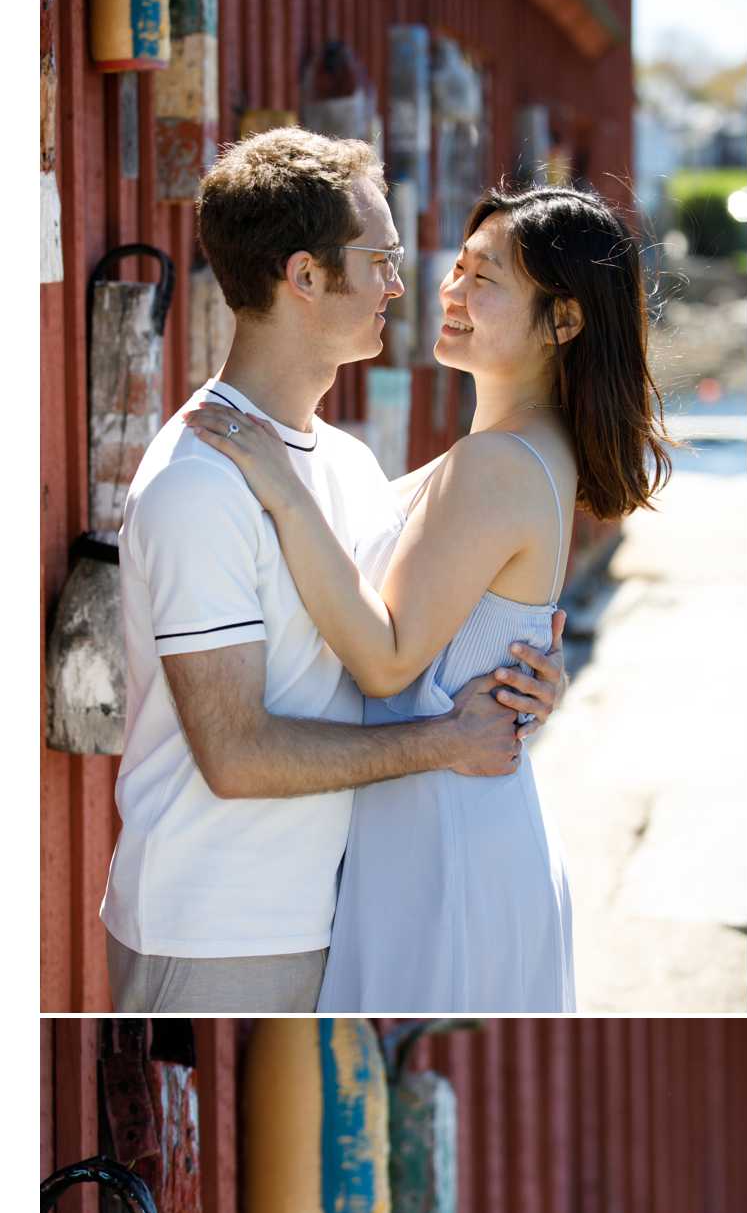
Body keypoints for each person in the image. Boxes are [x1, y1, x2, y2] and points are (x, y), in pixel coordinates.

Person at [101, 131, 563, 1014]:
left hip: (330, 913)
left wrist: (522, 673)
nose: (401, 283)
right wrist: (445, 744)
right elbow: (234, 755)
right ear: (306, 277)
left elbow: (402, 632)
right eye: (379, 258)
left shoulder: (344, 465)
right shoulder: (199, 484)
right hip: (217, 927)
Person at [190, 181, 671, 1015]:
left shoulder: (500, 464)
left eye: (484, 280)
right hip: (443, 829)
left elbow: (384, 661)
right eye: (457, 267)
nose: (448, 291)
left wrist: (282, 491)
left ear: (563, 320)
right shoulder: (500, 453)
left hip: (446, 846)